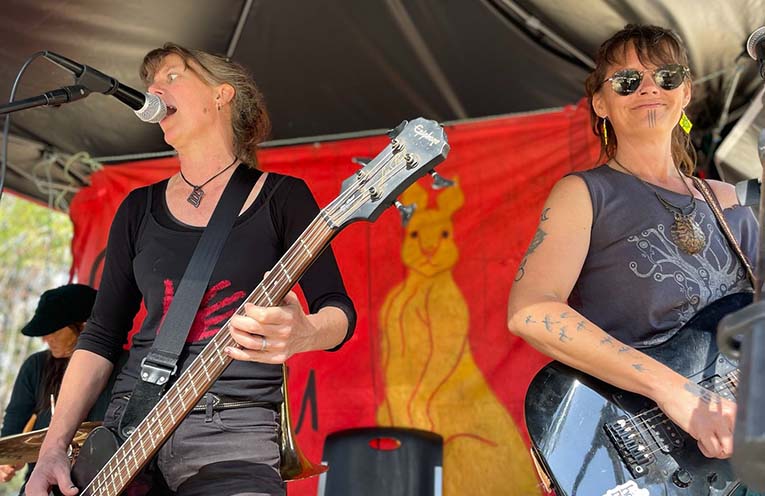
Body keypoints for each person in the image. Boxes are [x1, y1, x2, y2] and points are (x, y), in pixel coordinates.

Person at [26, 43, 356, 496]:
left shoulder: (282, 198)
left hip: (232, 427)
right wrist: (52, 447)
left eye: (172, 76)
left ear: (222, 94)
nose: (154, 90)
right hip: (129, 426)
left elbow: (338, 309)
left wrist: (306, 333)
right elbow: (101, 336)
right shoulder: (138, 208)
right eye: (150, 83)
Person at [508, 25, 757, 467]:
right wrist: (675, 392)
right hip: (654, 453)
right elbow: (530, 310)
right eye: (627, 81)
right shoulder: (585, 194)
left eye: (667, 77)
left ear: (685, 93)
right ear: (600, 103)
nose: (649, 88)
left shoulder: (732, 201)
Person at [0, 284, 108, 485]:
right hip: (44, 483)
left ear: (83, 325)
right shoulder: (36, 366)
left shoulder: (122, 365)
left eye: (53, 330)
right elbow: (13, 428)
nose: (44, 339)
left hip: (105, 479)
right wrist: (6, 460)